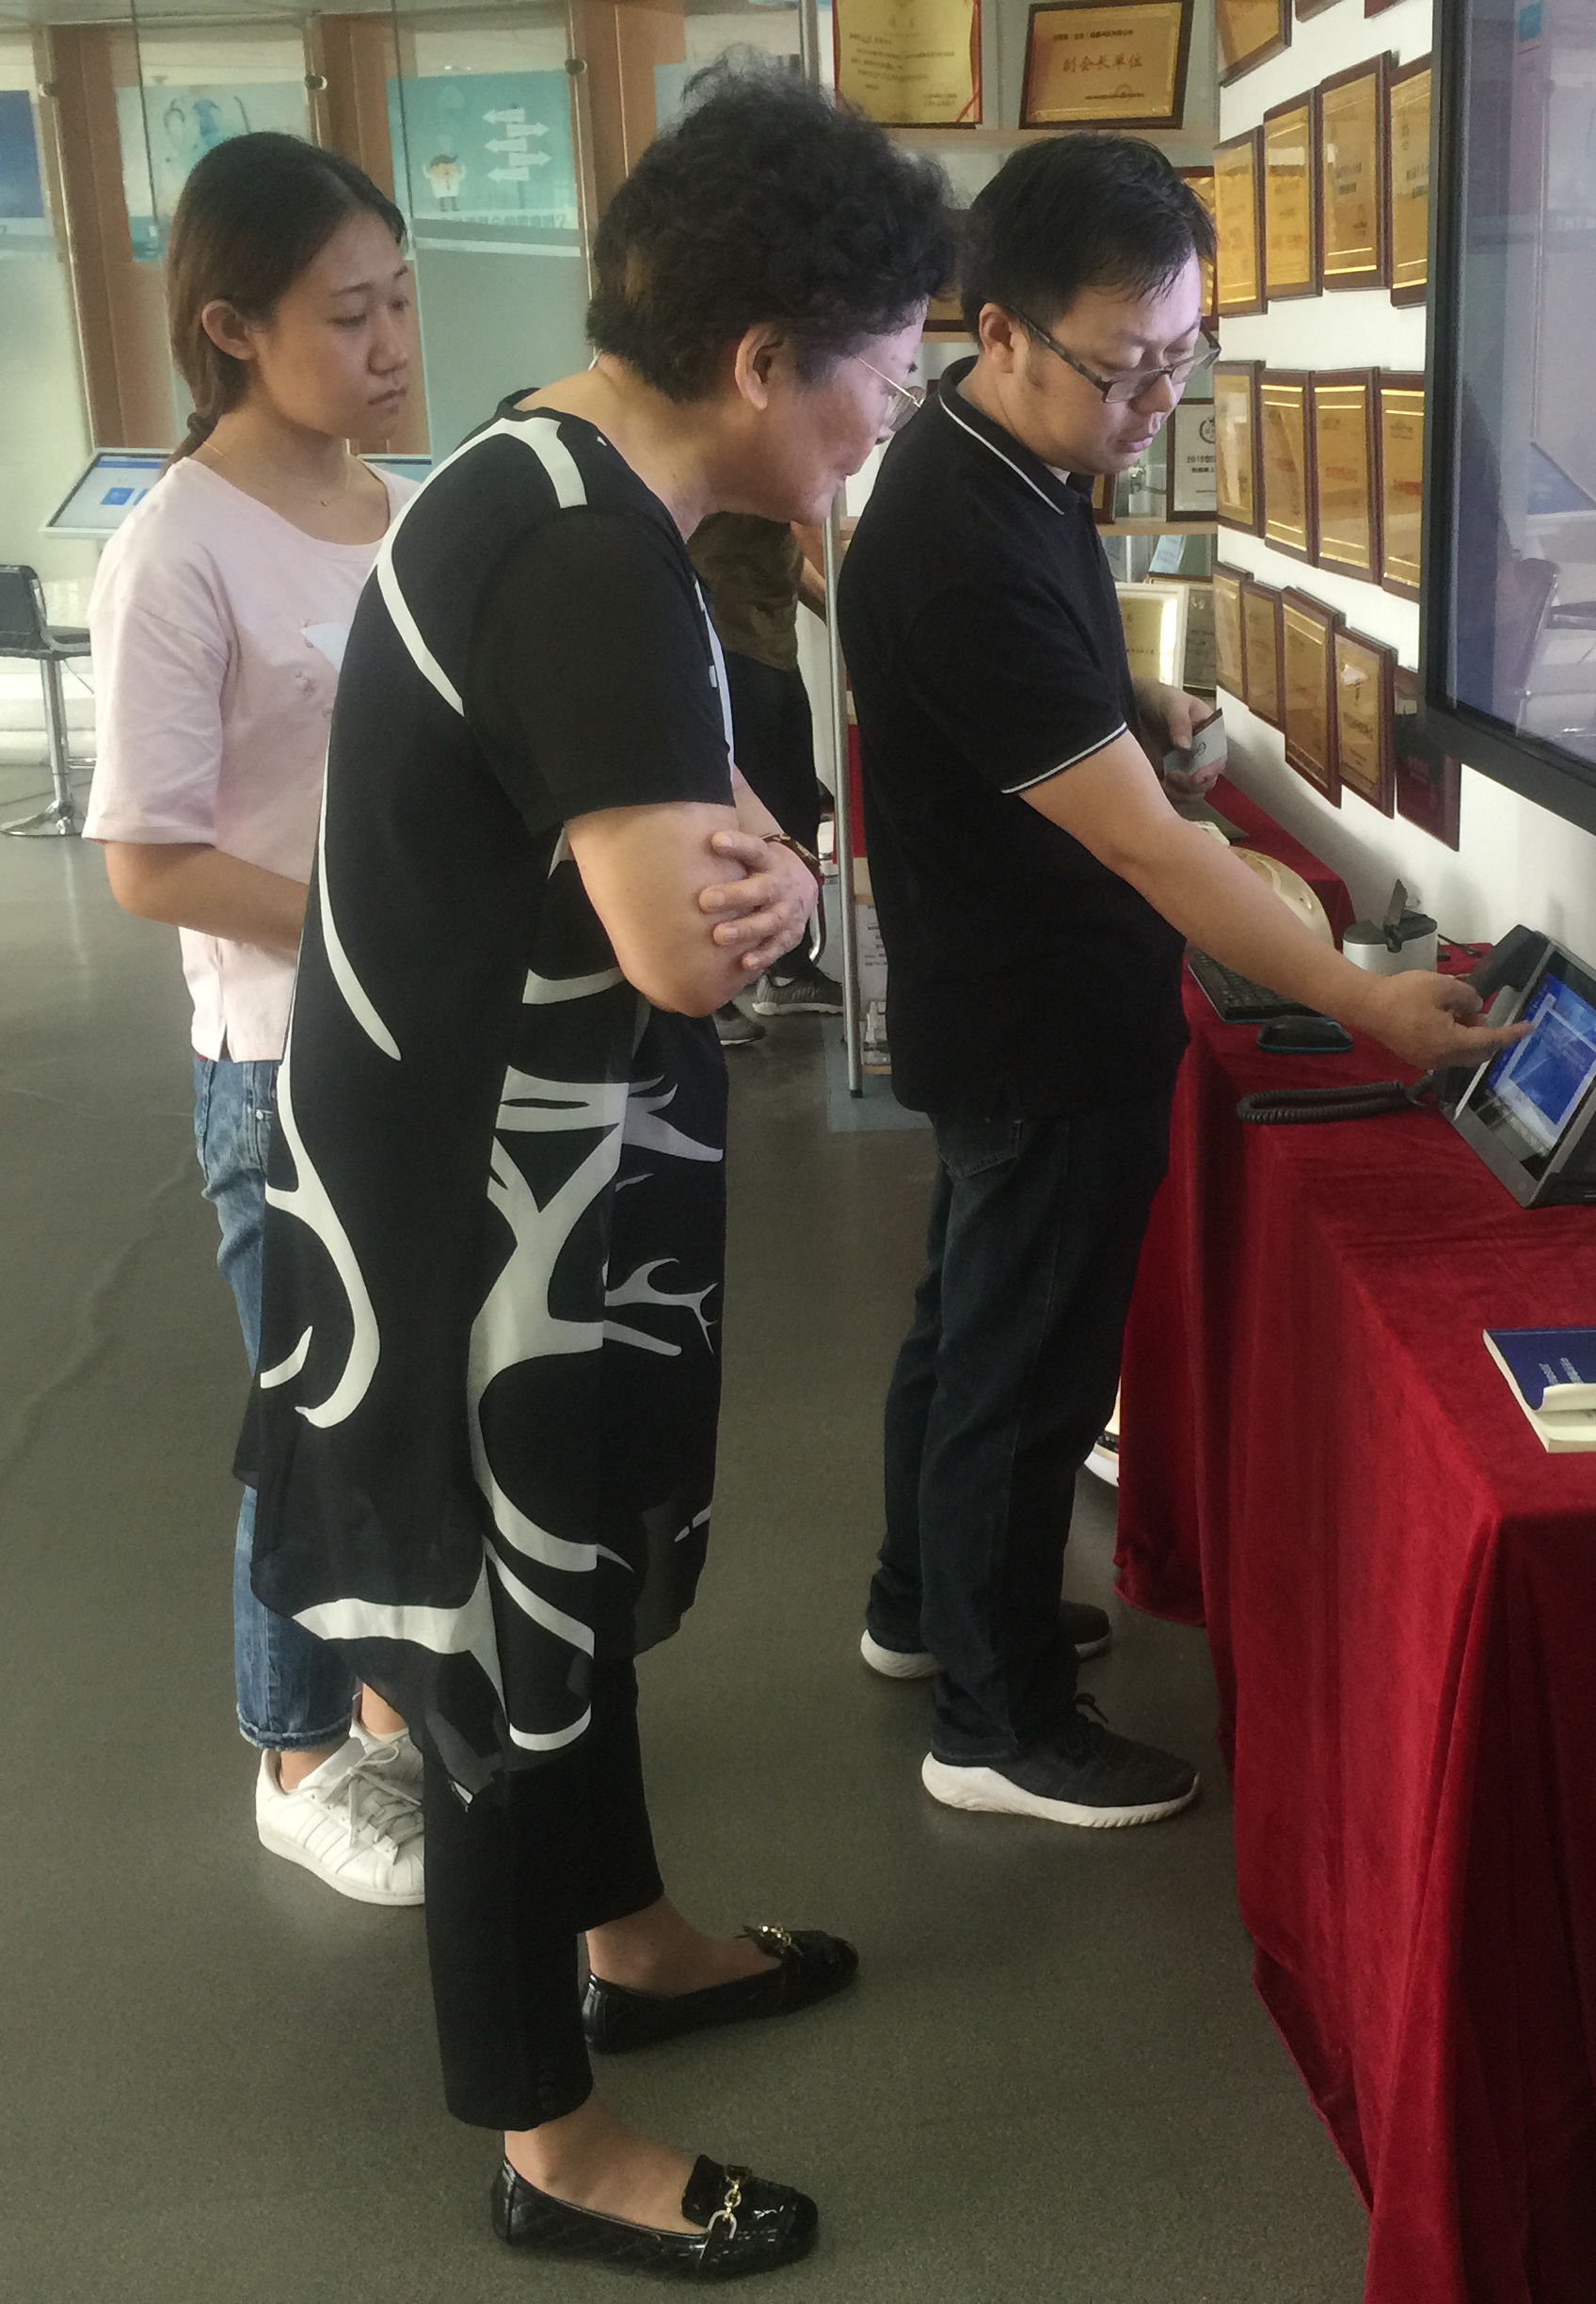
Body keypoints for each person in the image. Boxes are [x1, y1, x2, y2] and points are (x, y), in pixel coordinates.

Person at [237, 71, 950, 2275]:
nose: (884, 418)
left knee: (579, 1581)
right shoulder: (583, 559)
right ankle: (548, 2144)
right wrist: (768, 881)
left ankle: (626, 1930)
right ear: (764, 357)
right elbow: (690, 931)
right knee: (495, 1653)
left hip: (534, 1166)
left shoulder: (542, 478)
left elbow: (707, 850)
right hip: (479, 1212)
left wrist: (747, 862)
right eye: (881, 373)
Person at [840, 135, 1518, 1830]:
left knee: (967, 1328)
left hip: (1002, 995)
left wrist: (1121, 705)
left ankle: (928, 1605)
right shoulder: (960, 536)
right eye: (1124, 367)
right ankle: (994, 1718)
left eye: (1180, 356)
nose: (1157, 401)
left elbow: (1044, 707)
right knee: (1024, 1369)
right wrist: (1360, 998)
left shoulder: (999, 454)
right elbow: (1151, 850)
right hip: (1038, 1018)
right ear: (999, 331)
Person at [85, 132, 427, 1905]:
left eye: (399, 299)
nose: (393, 343)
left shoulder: (405, 509)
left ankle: (385, 1706)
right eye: (348, 313)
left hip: (421, 1044)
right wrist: (381, 936)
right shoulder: (179, 546)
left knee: (406, 1404)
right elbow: (149, 861)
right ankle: (294, 1753)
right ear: (231, 326)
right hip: (285, 1060)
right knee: (309, 1419)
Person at [686, 511, 846, 1034]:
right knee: (725, 827)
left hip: (769, 646)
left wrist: (849, 612)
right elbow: (807, 525)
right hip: (726, 643)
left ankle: (786, 971)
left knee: (793, 810)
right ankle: (709, 994)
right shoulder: (765, 474)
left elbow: (793, 552)